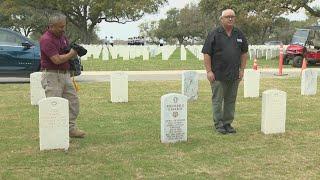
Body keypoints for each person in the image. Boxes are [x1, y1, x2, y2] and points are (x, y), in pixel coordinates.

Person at [202, 9, 248, 134]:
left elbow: (244, 53)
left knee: (230, 100)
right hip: (218, 75)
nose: (230, 19)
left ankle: (227, 123)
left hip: (234, 74)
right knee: (218, 100)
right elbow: (207, 53)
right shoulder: (215, 33)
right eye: (227, 17)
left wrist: (242, 69)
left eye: (232, 16)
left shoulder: (239, 34)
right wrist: (209, 71)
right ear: (221, 19)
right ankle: (218, 124)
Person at [39, 12, 86, 138]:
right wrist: (72, 53)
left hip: (65, 75)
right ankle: (53, 132)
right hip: (52, 76)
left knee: (73, 102)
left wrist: (73, 51)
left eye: (64, 26)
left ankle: (71, 128)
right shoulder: (46, 40)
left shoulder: (62, 37)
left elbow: (65, 51)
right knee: (54, 105)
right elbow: (57, 60)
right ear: (51, 26)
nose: (63, 29)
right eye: (60, 27)